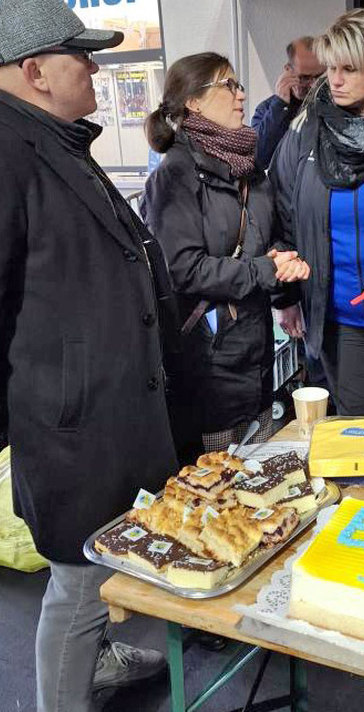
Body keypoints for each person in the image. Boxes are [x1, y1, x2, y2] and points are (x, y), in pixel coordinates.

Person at [0, 0, 176, 711]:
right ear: (35, 70)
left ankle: (96, 659)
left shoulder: (54, 140)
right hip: (70, 428)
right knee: (81, 584)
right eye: (81, 56)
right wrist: (7, 411)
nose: (94, 68)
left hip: (101, 417)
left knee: (98, 571)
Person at [143, 53, 309, 457]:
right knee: (218, 489)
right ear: (193, 103)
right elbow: (180, 269)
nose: (241, 95)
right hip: (208, 361)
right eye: (229, 86)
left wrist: (285, 270)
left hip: (255, 352)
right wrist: (266, 270)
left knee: (262, 475)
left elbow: (271, 238)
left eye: (238, 85)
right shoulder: (174, 176)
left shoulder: (247, 168)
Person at [271, 9, 364, 416]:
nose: (335, 80)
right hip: (340, 316)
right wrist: (285, 297)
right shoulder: (304, 133)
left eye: (349, 69)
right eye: (332, 67)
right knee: (359, 437)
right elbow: (282, 215)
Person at [251, 37, 325, 171]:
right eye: (305, 78)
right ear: (287, 70)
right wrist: (280, 105)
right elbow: (258, 159)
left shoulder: (333, 104)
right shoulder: (268, 109)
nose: (313, 85)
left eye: (319, 77)